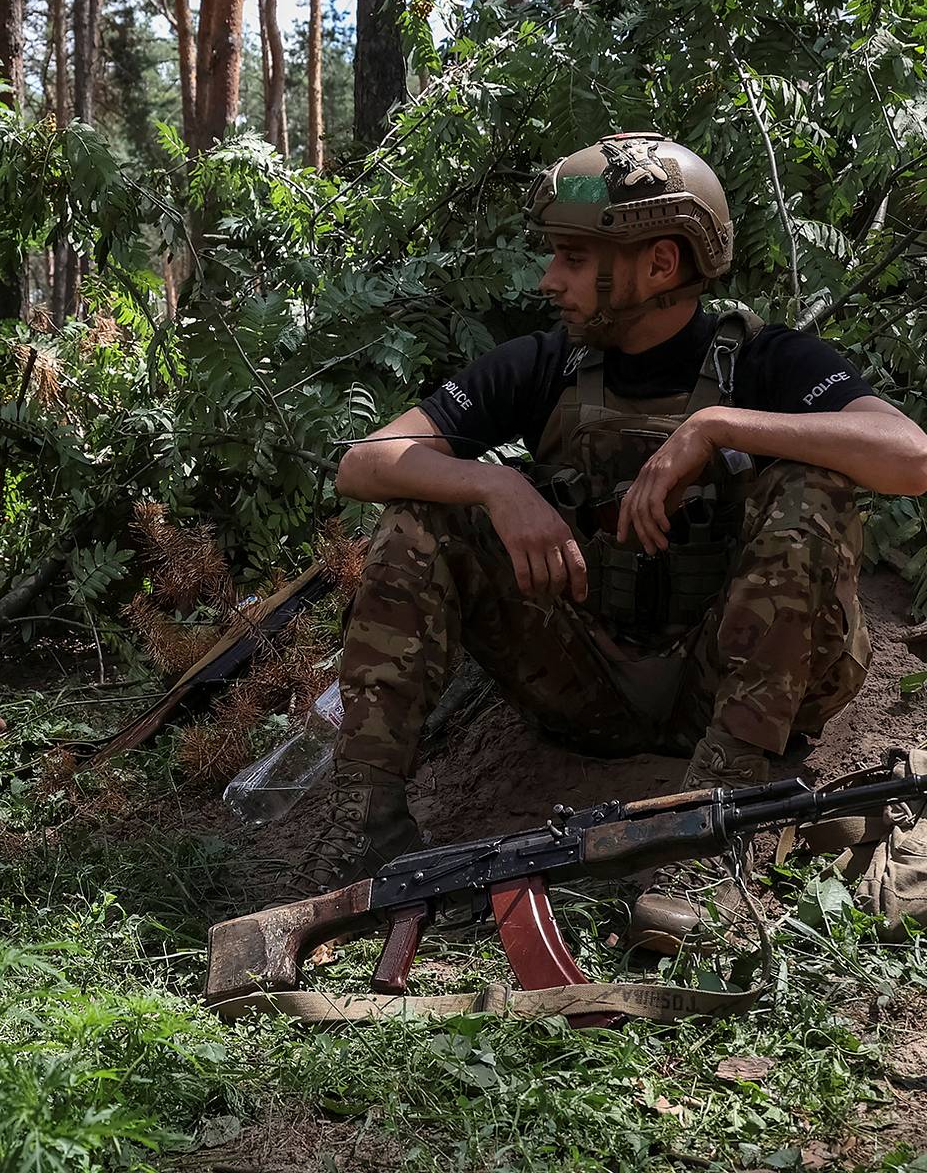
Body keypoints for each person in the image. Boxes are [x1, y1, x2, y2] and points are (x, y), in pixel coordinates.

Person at [292, 132, 927, 953]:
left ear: (659, 264)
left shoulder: (765, 362)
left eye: (573, 256)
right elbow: (364, 462)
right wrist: (498, 483)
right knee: (422, 516)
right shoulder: (543, 364)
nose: (549, 279)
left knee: (813, 487)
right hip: (585, 681)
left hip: (736, 690)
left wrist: (717, 424)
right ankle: (366, 832)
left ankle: (710, 833)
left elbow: (911, 456)